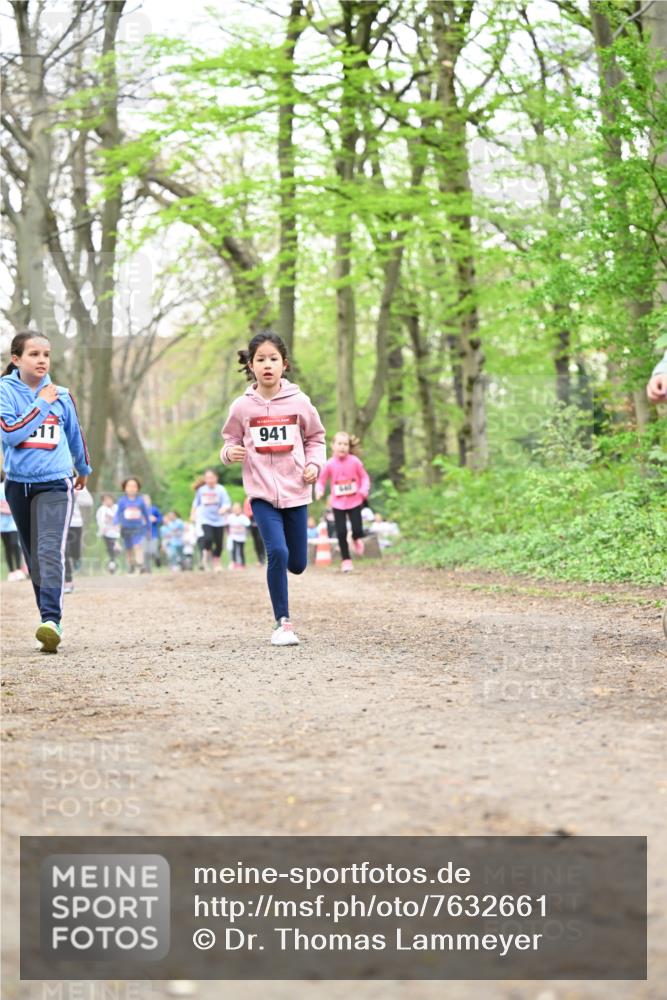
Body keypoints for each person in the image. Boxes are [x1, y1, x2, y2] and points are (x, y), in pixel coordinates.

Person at [221, 330, 326, 645]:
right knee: (276, 552)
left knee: (297, 562)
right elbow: (229, 440)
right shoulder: (242, 407)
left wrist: (314, 465)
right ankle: (283, 622)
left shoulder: (299, 401)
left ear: (284, 364)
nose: (267, 365)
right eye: (261, 359)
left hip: (296, 490)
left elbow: (316, 438)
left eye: (273, 359)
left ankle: (289, 582)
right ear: (251, 366)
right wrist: (230, 453)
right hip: (261, 494)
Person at [0, 330, 92, 651]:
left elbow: (74, 434)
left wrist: (83, 469)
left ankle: (52, 620)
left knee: (49, 548)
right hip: (17, 485)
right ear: (16, 359)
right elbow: (11, 434)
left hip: (55, 482)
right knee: (33, 557)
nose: (42, 360)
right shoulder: (4, 392)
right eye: (34, 354)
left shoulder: (62, 394)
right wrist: (41, 403)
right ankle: (47, 621)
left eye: (46, 355)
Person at [315, 431, 370, 572]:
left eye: (345, 444)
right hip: (338, 503)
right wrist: (319, 490)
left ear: (349, 447)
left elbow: (364, 478)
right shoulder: (329, 464)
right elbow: (321, 480)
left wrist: (363, 491)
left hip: (355, 501)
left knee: (358, 529)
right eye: (339, 443)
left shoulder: (355, 461)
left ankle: (356, 538)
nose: (342, 447)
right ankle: (346, 561)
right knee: (341, 532)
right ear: (333, 446)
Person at [191, 469, 230, 572]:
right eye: (207, 478)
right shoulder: (202, 490)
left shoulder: (221, 490)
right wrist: (193, 514)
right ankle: (207, 553)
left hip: (219, 520)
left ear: (216, 478)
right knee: (208, 538)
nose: (209, 480)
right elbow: (196, 503)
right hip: (206, 519)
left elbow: (227, 503)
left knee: (219, 544)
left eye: (211, 477)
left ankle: (216, 561)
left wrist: (223, 509)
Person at [114, 477, 150, 573]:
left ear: (138, 488)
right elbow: (118, 513)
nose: (131, 488)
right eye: (129, 486)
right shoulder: (122, 500)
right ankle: (131, 565)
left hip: (138, 527)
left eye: (134, 486)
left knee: (137, 545)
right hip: (126, 528)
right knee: (128, 548)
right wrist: (115, 522)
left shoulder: (141, 501)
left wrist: (148, 527)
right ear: (124, 488)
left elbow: (146, 514)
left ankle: (141, 565)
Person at [64, 485, 93, 593]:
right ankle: (68, 581)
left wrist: (76, 494)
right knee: (64, 552)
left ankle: (76, 559)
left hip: (75, 522)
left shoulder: (78, 482)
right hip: (60, 523)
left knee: (75, 552)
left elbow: (89, 501)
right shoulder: (54, 478)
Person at [1, 471, 26, 581]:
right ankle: (11, 571)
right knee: (8, 547)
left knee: (15, 545)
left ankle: (18, 570)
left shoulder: (15, 487)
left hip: (13, 523)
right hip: (2, 524)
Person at [96, 492, 120, 573]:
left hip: (116, 533)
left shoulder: (116, 507)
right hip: (107, 533)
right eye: (106, 500)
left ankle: (111, 564)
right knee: (112, 548)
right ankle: (112, 564)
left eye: (109, 499)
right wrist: (103, 529)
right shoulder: (102, 509)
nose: (108, 501)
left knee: (116, 550)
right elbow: (100, 521)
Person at [226, 501, 251, 569]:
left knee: (241, 550)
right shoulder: (230, 517)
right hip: (233, 536)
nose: (236, 511)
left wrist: (247, 532)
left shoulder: (243, 517)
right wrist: (228, 533)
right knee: (233, 549)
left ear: (241, 509)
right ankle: (234, 563)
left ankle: (243, 564)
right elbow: (227, 525)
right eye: (235, 509)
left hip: (241, 537)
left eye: (238, 509)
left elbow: (248, 525)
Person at [142, 494, 163, 572]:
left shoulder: (154, 509)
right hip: (143, 534)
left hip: (153, 533)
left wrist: (155, 519)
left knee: (153, 551)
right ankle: (148, 569)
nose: (145, 502)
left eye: (147, 500)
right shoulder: (140, 511)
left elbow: (160, 518)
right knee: (145, 552)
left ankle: (157, 558)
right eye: (143, 500)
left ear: (150, 501)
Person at [243, 495, 265, 565]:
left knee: (260, 539)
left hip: (260, 521)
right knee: (255, 541)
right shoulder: (247, 500)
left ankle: (262, 557)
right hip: (252, 522)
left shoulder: (260, 497)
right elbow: (246, 511)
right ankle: (259, 558)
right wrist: (251, 514)